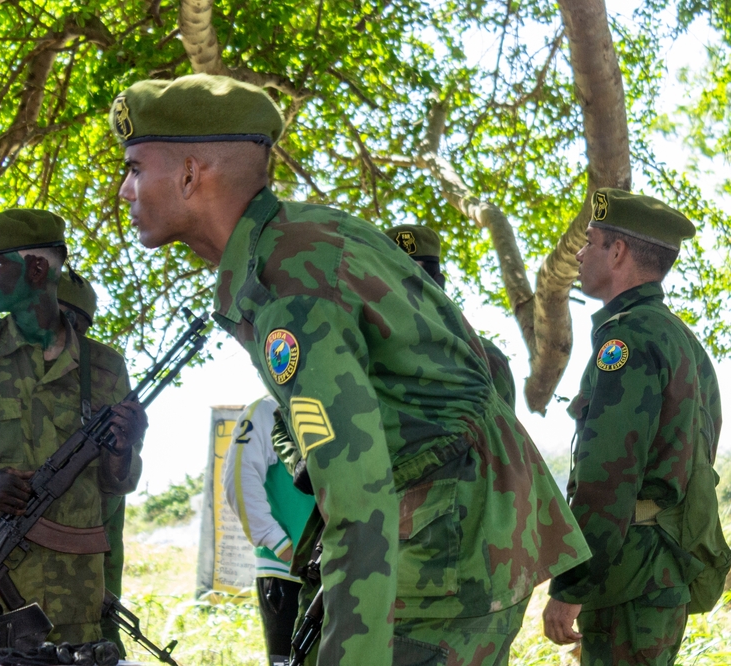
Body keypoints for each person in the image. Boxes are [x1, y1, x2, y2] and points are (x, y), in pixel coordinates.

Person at [110, 73, 590, 666]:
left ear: (189, 175)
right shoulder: (302, 240)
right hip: (463, 534)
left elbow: (358, 500)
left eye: (134, 168)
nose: (125, 190)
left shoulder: (291, 283)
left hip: (440, 559)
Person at [0, 209, 146, 644]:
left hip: (76, 608)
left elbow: (118, 485)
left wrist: (123, 446)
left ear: (36, 268)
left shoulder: (105, 368)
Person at [542, 188, 728, 665]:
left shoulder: (625, 341)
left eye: (591, 242)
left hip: (629, 576)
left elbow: (607, 478)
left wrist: (571, 585)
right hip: (663, 568)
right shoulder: (680, 337)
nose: (581, 254)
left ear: (618, 252)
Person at [55, 266, 137, 657]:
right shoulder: (3, 363)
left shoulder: (106, 368)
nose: (68, 330)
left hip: (94, 539)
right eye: (58, 316)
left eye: (78, 323)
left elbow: (123, 474)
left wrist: (125, 444)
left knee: (95, 643)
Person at [223, 395, 316, 665]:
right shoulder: (266, 408)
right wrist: (282, 546)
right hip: (286, 574)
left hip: (339, 570)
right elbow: (238, 482)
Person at [385, 224, 516, 408]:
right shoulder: (357, 351)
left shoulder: (482, 359)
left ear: (438, 284)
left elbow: (503, 435)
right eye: (389, 277)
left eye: (411, 280)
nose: (399, 290)